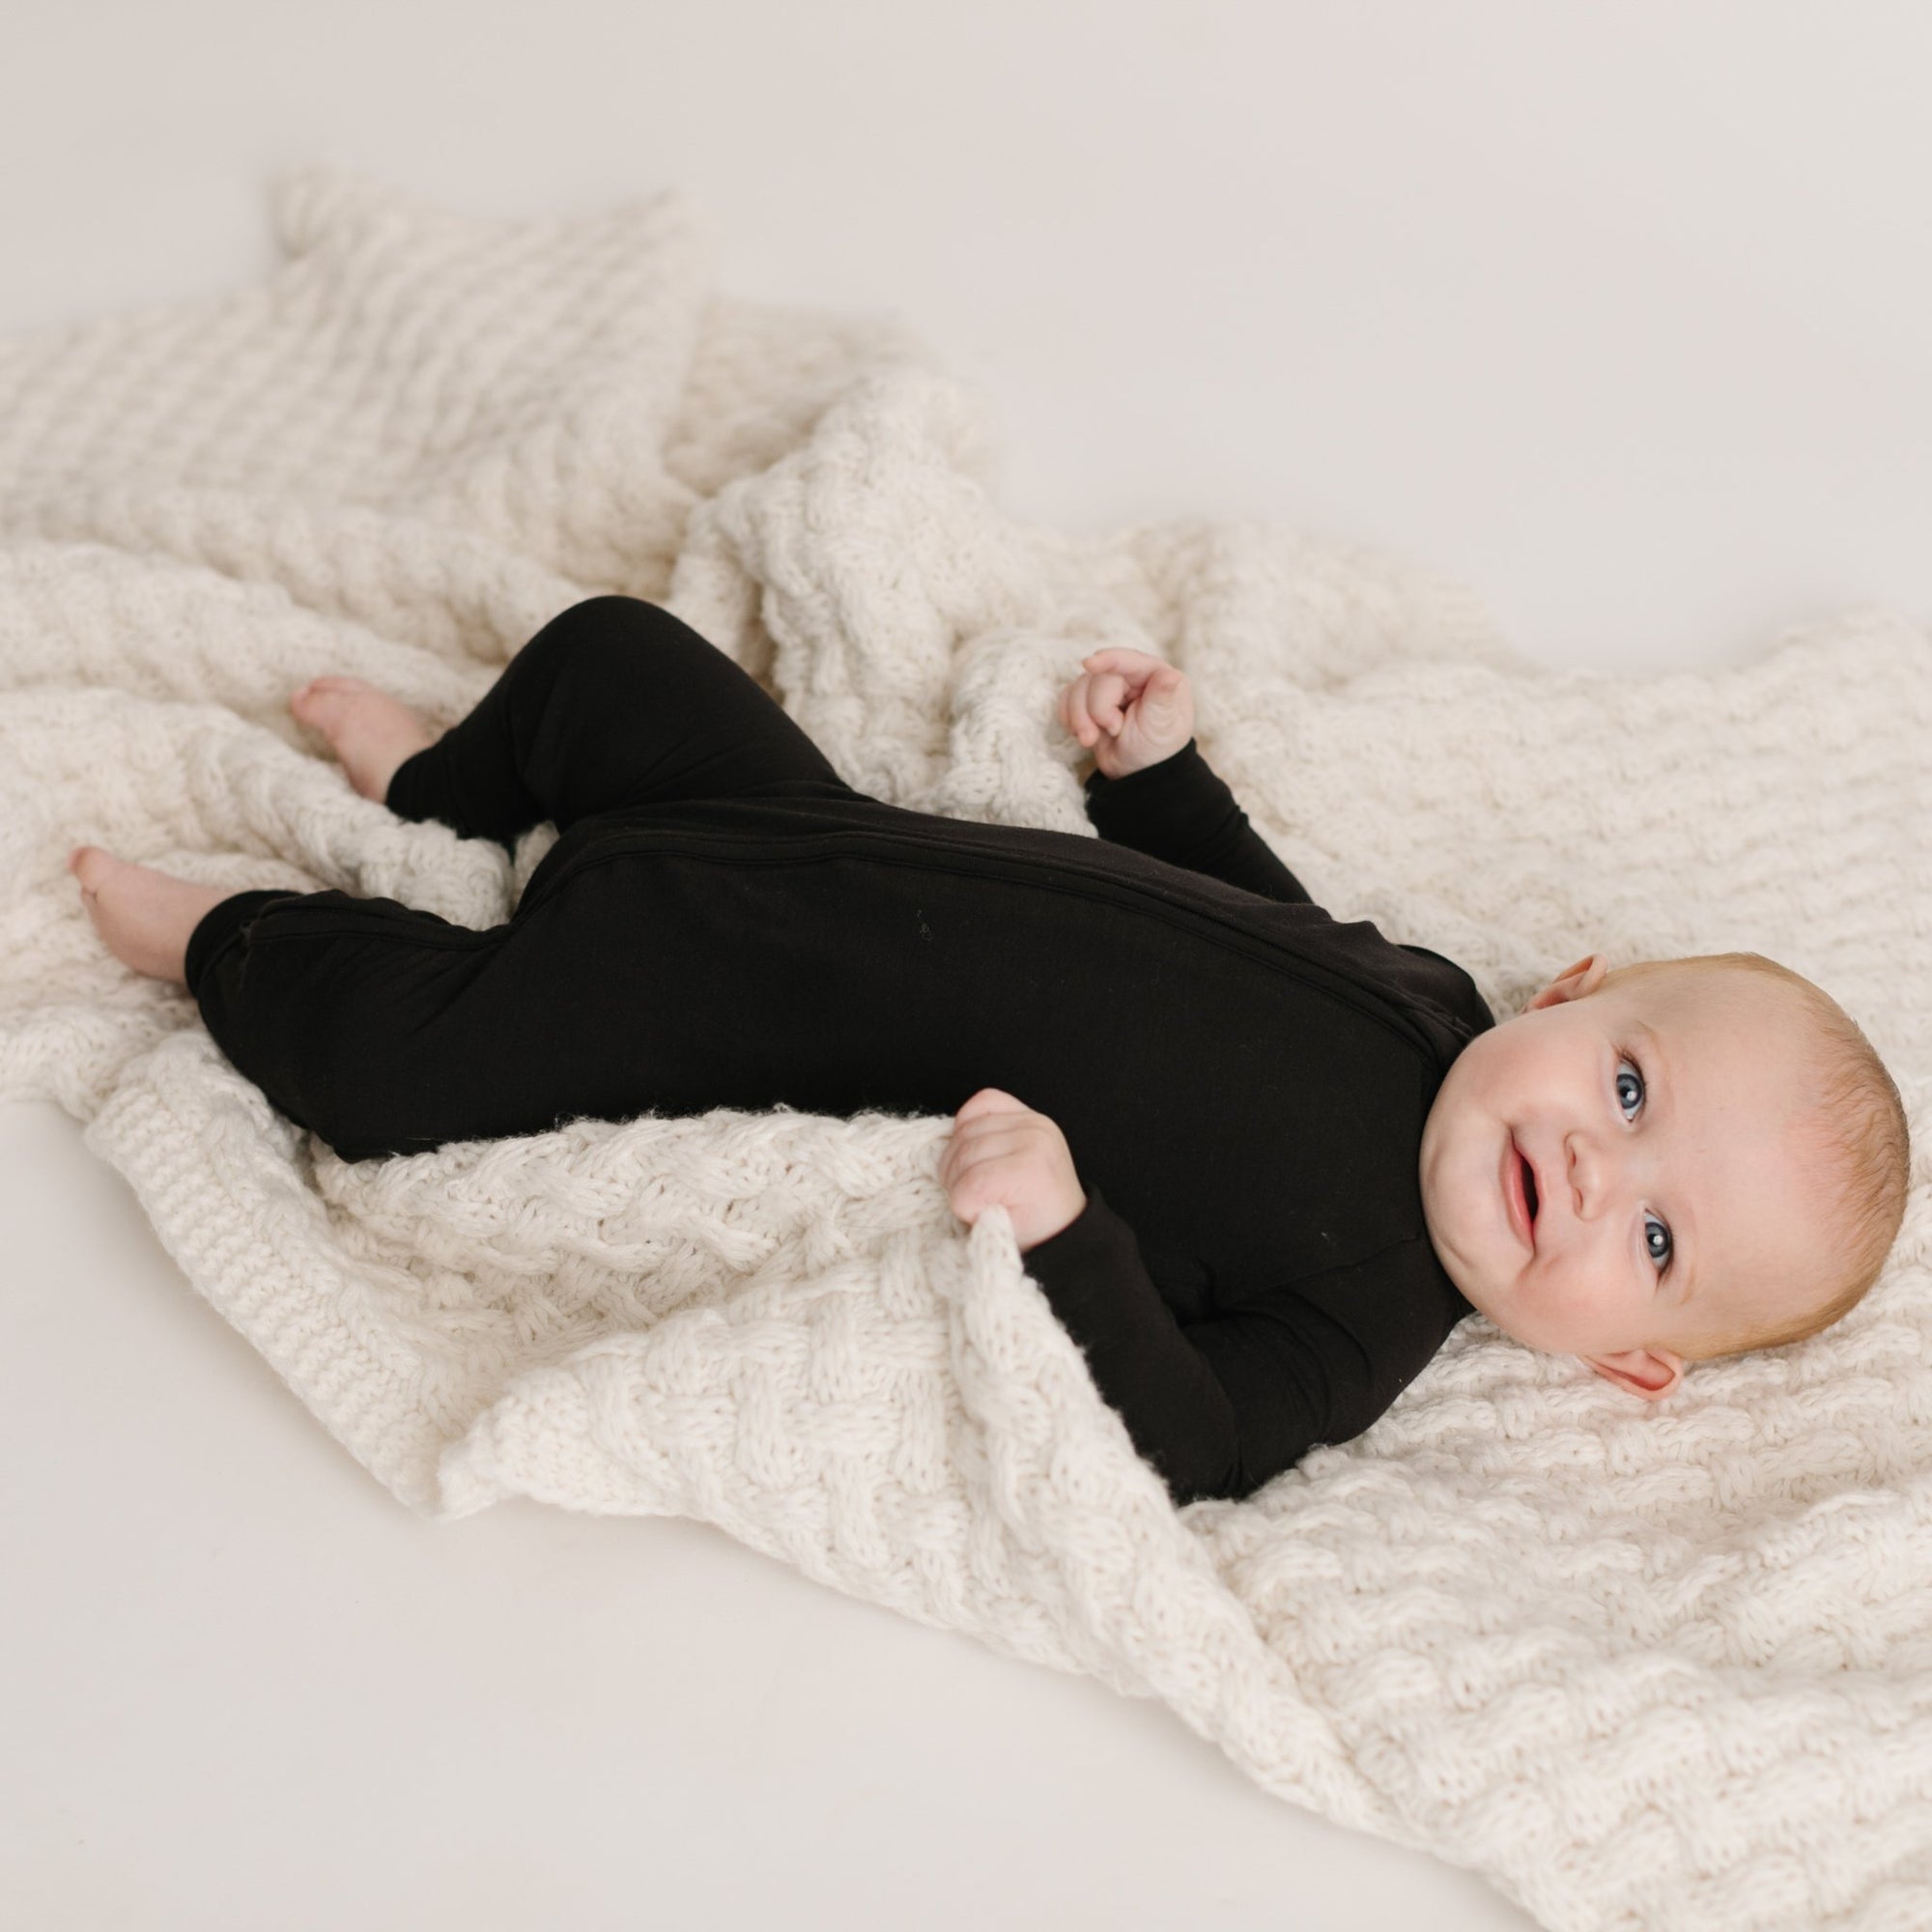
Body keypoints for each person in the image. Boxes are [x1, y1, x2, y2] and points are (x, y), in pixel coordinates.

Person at [67, 595, 1913, 1506]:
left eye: (1656, 1241)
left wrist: (1062, 1236)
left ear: (1634, 1368)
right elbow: (1243, 898)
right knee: (619, 657)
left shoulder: (1362, 1323)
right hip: (799, 834)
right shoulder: (1432, 999)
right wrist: (1160, 779)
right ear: (1571, 990)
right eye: (1632, 1088)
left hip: (713, 1013)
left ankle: (229, 939)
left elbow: (1185, 1443)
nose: (1600, 1170)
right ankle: (448, 780)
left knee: (396, 1075)